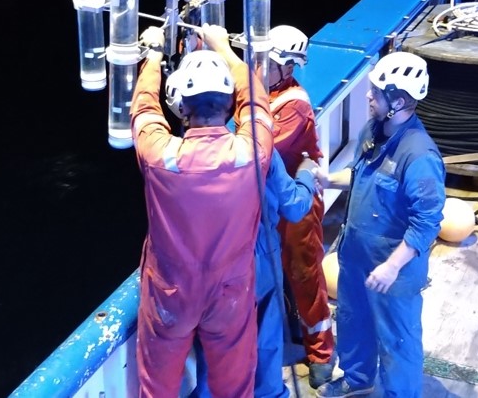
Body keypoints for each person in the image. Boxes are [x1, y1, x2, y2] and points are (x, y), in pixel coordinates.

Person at [131, 24, 273, 398]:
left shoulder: (161, 155)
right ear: (227, 103)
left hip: (171, 295)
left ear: (181, 106)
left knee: (157, 385)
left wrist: (154, 57)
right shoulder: (251, 152)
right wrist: (224, 49)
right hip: (231, 290)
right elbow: (256, 102)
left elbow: (144, 108)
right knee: (235, 383)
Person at [165, 68, 320, 398]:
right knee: (266, 343)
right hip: (262, 266)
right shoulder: (259, 150)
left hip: (213, 276)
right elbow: (294, 206)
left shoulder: (175, 163)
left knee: (215, 350)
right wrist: (307, 174)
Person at [316, 51, 446, 398]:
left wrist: (391, 266)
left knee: (397, 340)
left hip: (393, 271)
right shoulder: (374, 131)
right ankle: (358, 379)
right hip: (357, 257)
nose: (368, 96)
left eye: (376, 92)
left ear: (399, 101)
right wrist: (327, 180)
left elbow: (427, 222)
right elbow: (360, 176)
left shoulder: (418, 156)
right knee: (353, 321)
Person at [263, 25, 337, 389]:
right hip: (272, 204)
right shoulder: (267, 91)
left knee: (305, 278)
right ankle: (287, 337)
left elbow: (261, 150)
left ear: (287, 68)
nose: (257, 66)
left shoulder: (294, 104)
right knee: (274, 275)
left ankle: (321, 355)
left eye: (267, 61)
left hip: (299, 206)